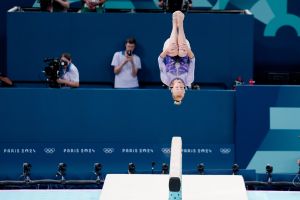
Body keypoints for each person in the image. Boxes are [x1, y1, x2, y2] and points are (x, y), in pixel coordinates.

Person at [158, 10, 195, 105]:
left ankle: (174, 23)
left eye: (177, 88)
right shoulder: (189, 80)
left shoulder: (166, 80)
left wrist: (166, 50)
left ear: (171, 89)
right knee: (182, 53)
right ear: (185, 89)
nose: (179, 85)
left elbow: (160, 60)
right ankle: (181, 24)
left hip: (169, 47)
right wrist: (187, 49)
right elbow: (192, 60)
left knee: (174, 50)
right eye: (181, 88)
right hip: (184, 47)